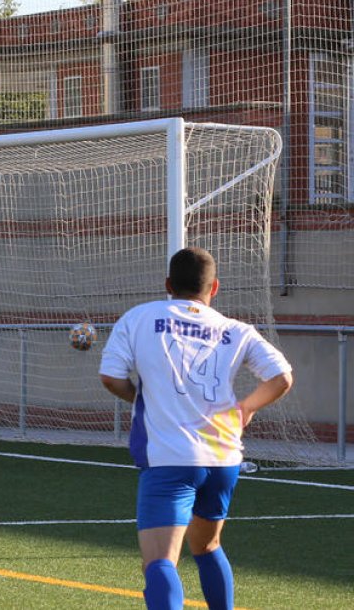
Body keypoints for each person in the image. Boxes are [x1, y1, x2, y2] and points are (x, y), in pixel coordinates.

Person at [98, 247, 293, 610]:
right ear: (214, 287)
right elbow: (282, 377)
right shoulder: (236, 330)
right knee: (207, 546)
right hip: (222, 460)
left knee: (160, 561)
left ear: (168, 284)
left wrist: (142, 397)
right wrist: (246, 408)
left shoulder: (140, 317)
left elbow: (111, 377)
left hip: (170, 459)